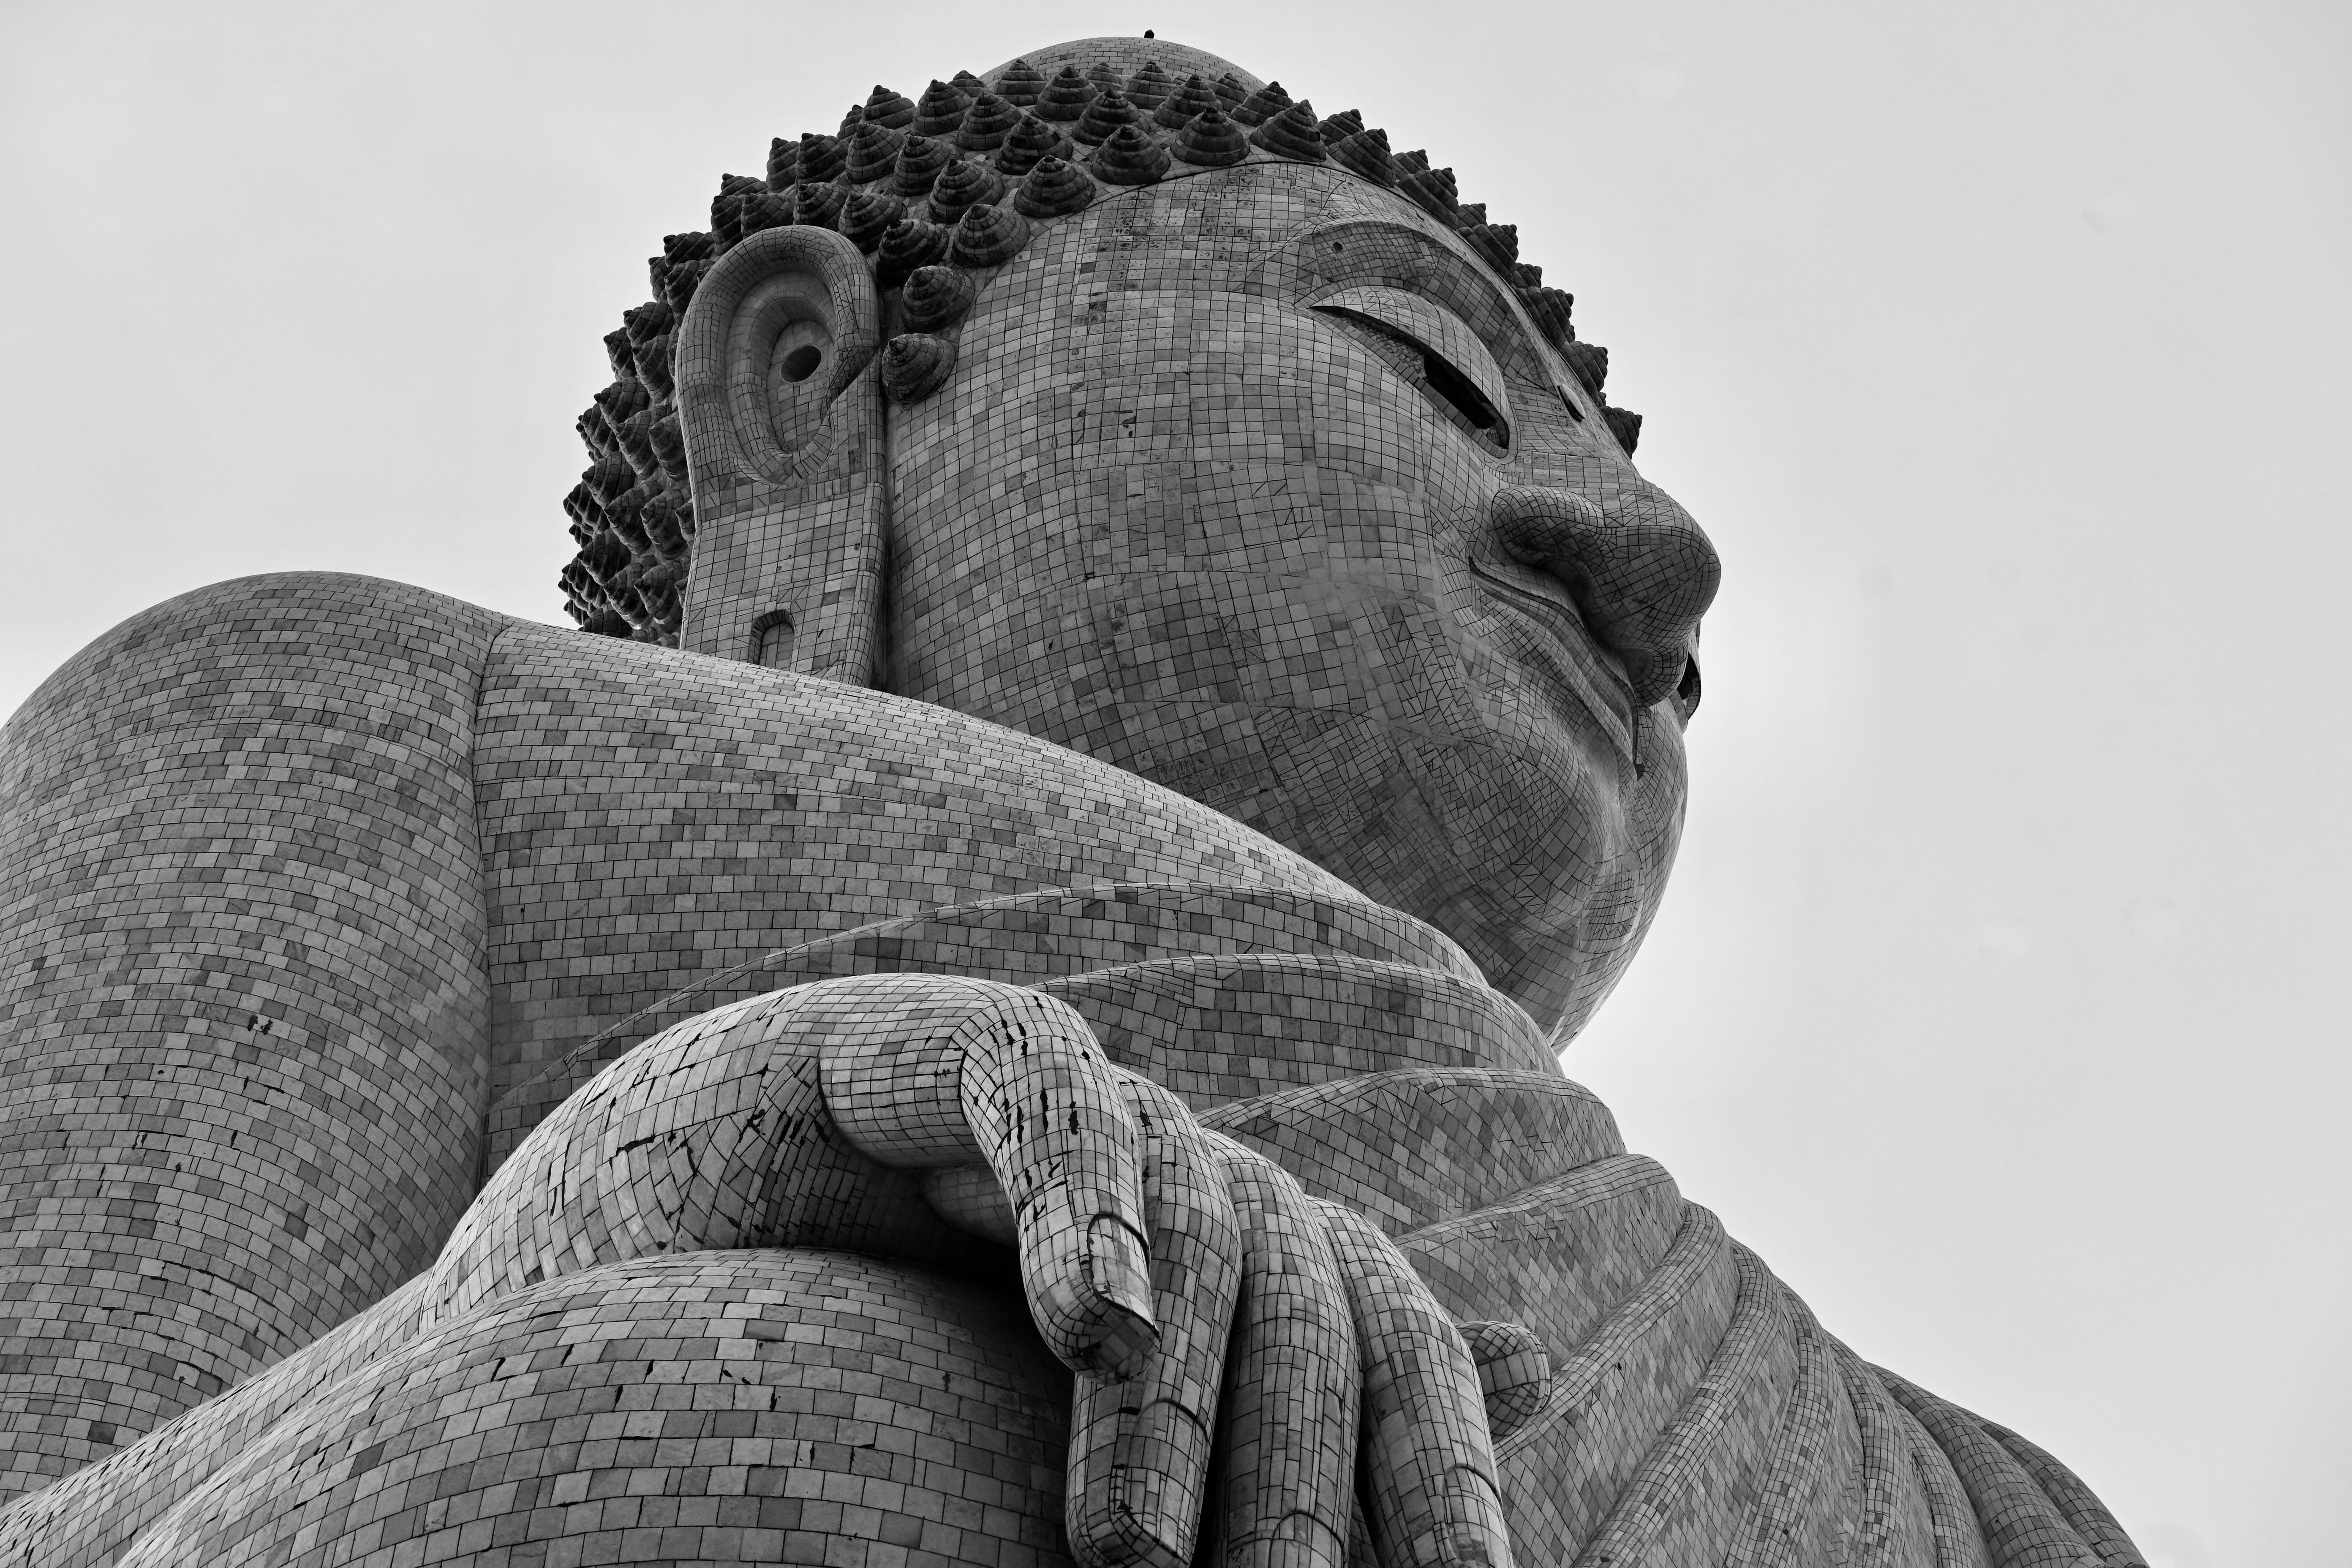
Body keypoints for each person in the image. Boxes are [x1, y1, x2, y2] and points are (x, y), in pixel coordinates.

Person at [0, 34, 2141, 1568]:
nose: (1655, 563)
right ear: (805, 389)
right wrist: (630, 1184)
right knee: (782, 1398)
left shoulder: (1968, 1500)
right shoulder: (363, 719)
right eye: (1438, 375)